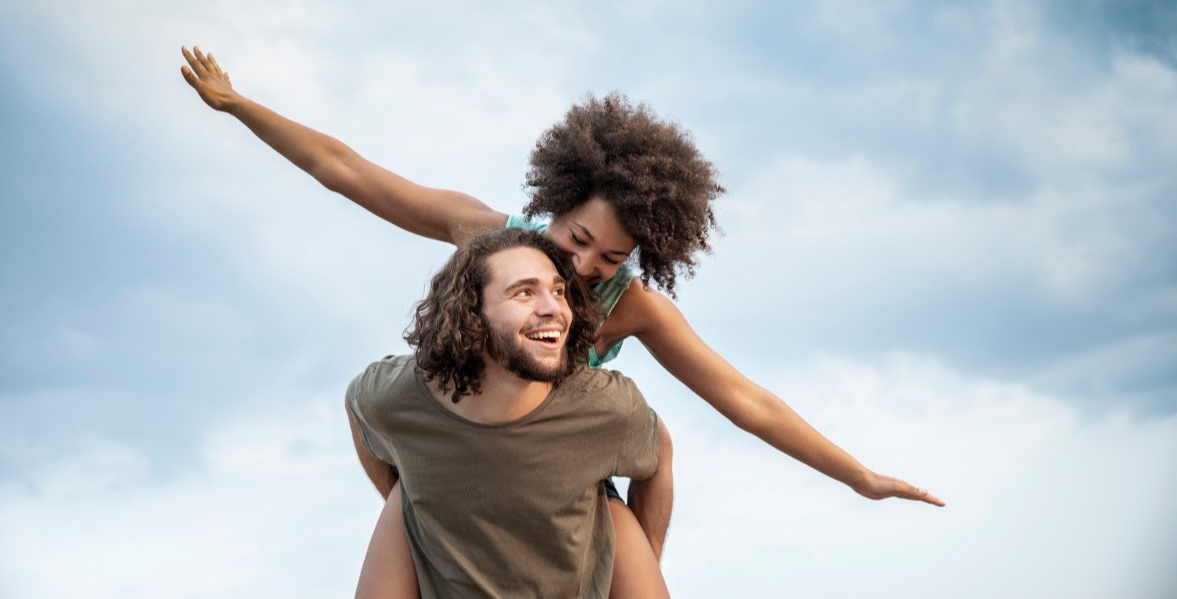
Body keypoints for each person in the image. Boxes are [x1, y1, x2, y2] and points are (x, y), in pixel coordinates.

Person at [180, 44, 944, 589]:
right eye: (575, 239)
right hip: (457, 439)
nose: (579, 270)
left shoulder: (633, 308)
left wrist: (859, 477)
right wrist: (241, 106)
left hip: (568, 478)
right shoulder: (486, 234)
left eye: (608, 259)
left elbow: (746, 401)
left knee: (641, 469)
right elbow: (347, 173)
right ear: (554, 204)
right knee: (409, 482)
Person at [346, 227, 668, 598]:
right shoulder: (400, 394)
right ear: (472, 315)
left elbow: (659, 455)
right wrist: (412, 497)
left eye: (558, 291)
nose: (553, 309)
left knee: (616, 516)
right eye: (524, 293)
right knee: (404, 500)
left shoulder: (604, 408)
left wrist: (646, 555)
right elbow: (359, 409)